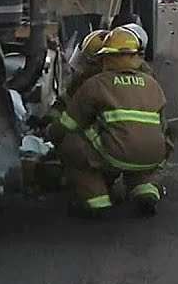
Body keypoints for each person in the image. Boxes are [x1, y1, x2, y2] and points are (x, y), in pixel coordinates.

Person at [46, 27, 171, 218]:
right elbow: (162, 126)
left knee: (72, 144)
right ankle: (146, 190)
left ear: (107, 57)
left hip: (116, 152)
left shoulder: (96, 84)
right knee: (137, 145)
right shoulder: (152, 83)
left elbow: (68, 123)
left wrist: (50, 134)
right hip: (154, 153)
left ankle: (98, 200)